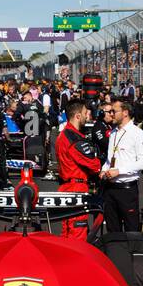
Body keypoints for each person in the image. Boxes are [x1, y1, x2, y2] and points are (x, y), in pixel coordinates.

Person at [55, 99, 103, 240]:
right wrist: (98, 160)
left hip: (65, 185)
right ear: (77, 116)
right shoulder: (73, 138)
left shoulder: (62, 135)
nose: (86, 116)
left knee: (67, 231)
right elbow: (93, 165)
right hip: (76, 187)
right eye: (84, 113)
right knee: (78, 231)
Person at [99, 98, 143, 234]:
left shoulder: (138, 134)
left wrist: (119, 171)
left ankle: (132, 254)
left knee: (131, 230)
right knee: (112, 230)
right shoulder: (113, 132)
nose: (111, 114)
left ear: (125, 113)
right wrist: (104, 170)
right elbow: (110, 159)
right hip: (110, 189)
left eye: (114, 111)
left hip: (127, 190)